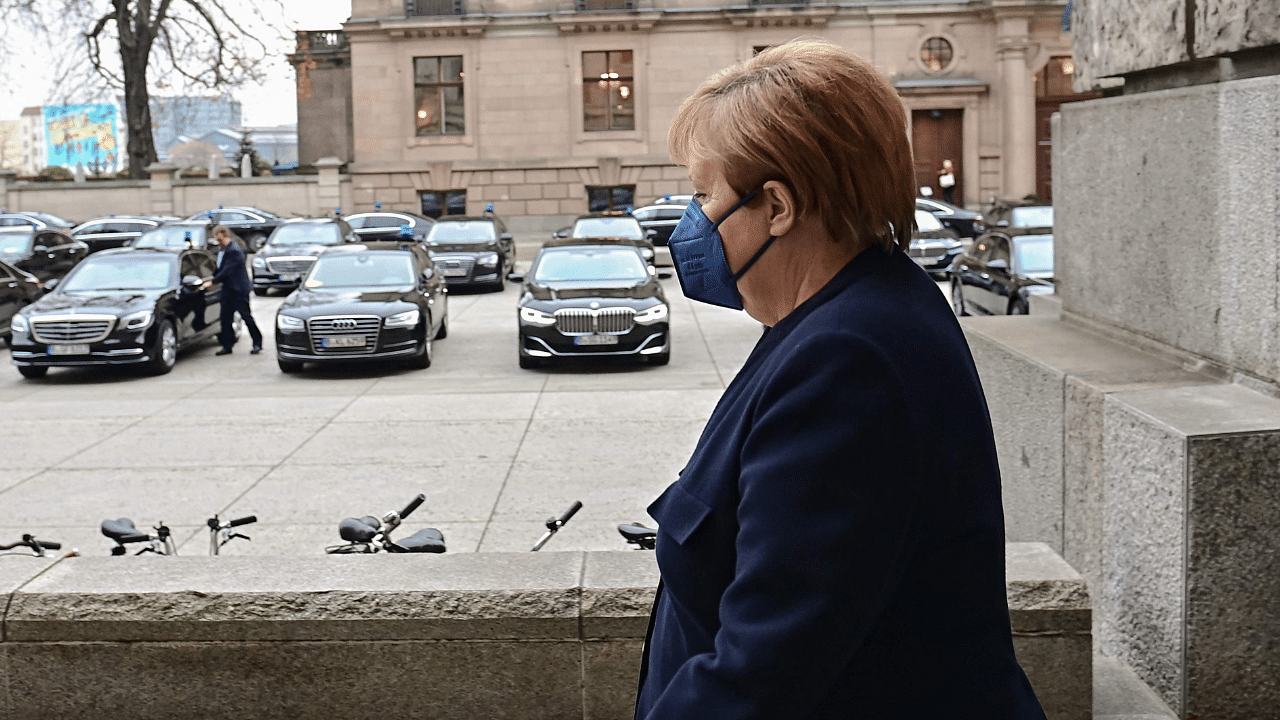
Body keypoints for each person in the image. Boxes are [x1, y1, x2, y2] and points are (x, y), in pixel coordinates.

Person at [638, 41, 1046, 719]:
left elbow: (763, 672)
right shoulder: (849, 312)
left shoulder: (847, 360)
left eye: (705, 194)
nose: (692, 221)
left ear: (777, 206)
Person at [205, 225, 262, 355]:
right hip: (227, 289)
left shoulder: (234, 251)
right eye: (217, 240)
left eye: (220, 240)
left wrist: (213, 282)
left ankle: (257, 342)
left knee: (246, 317)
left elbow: (227, 271)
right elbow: (219, 269)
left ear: (227, 236)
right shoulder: (222, 251)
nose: (219, 243)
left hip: (239, 290)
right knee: (225, 319)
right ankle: (227, 345)